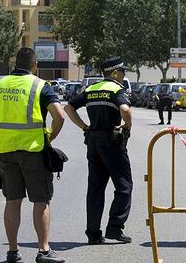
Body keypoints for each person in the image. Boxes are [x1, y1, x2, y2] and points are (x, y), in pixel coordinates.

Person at [0, 47, 65, 263]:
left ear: (15, 64)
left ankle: (13, 252)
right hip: (33, 151)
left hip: (5, 150)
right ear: (35, 65)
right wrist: (48, 137)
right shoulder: (40, 85)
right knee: (40, 201)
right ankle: (43, 251)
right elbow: (59, 116)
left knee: (12, 200)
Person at [64, 57, 133, 244]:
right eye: (122, 72)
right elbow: (125, 110)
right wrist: (127, 125)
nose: (123, 75)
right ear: (115, 73)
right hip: (111, 141)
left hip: (93, 140)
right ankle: (115, 228)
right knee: (124, 185)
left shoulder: (91, 89)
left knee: (95, 188)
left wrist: (84, 127)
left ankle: (93, 233)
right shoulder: (117, 89)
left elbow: (69, 107)